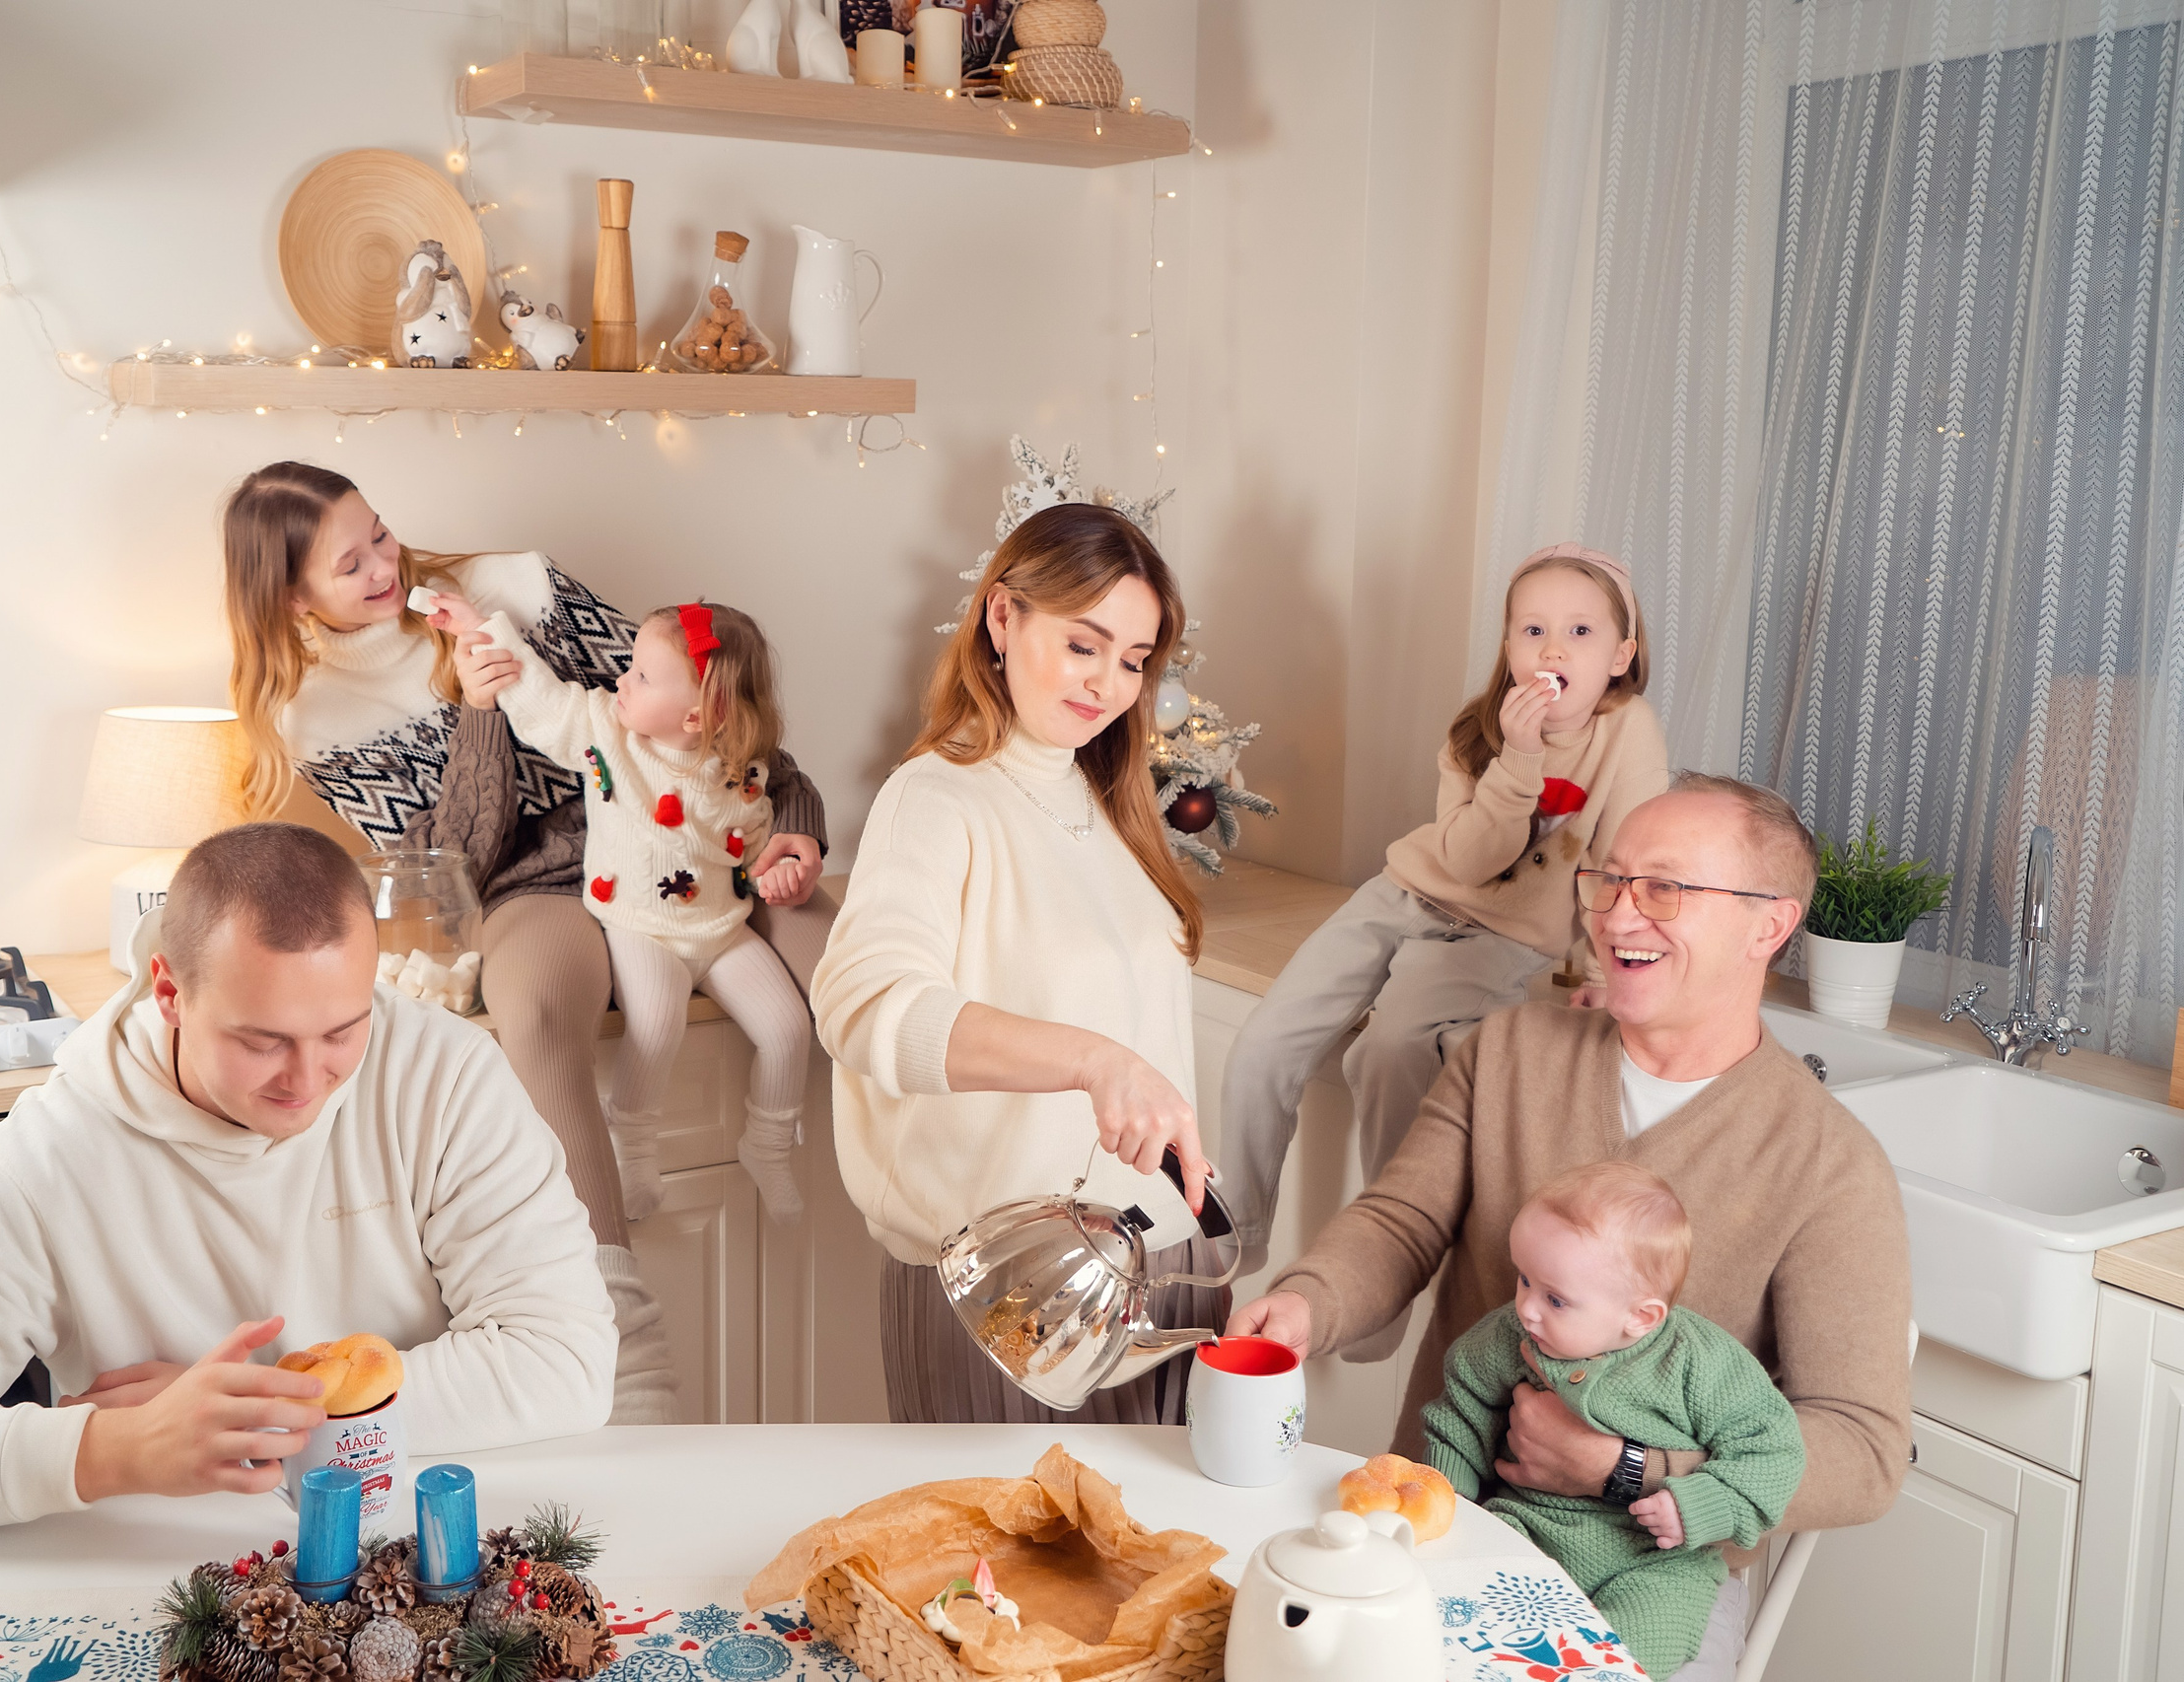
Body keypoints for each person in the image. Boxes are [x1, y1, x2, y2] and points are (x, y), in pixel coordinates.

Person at [1228, 773, 1911, 1679]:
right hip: (1443, 1518)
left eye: (1664, 889)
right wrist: (1307, 1303)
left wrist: (1629, 1471)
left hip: (1656, 1573)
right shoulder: (1510, 1050)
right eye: (1609, 880)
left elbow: (1863, 1447)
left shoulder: (1829, 1162)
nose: (1620, 915)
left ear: (1768, 926)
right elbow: (1401, 1222)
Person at [0, 823, 615, 1536]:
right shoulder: (50, 1159)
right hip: (171, 1581)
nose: (310, 1080)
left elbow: (566, 1360)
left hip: (434, 1554)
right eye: (261, 1041)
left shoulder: (445, 1074)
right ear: (169, 991)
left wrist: (253, 1415)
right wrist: (118, 1447)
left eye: (343, 1031)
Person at [218, 461, 832, 1423]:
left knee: (838, 943)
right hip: (536, 887)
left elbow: (707, 712)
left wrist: (797, 823)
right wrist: (477, 710)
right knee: (536, 1008)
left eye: (380, 531)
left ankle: (935, 1204)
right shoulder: (320, 715)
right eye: (351, 562)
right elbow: (452, 862)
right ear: (292, 595)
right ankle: (626, 1348)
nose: (385, 562)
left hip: (696, 855)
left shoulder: (517, 587)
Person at [812, 502, 1223, 1425]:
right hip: (1014, 1299)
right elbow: (864, 1005)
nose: (1109, 685)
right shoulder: (937, 798)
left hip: (1158, 1280)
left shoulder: (1108, 801)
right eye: (1085, 644)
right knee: (991, 1571)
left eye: (1133, 661)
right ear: (1003, 617)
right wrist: (1093, 1062)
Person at [1219, 544, 1668, 1315]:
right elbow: (1466, 858)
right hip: (1402, 895)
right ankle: (1235, 1234)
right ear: (1507, 646)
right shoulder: (1477, 730)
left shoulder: (1629, 736)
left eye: (1581, 633)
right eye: (1531, 630)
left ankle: (1383, 1277)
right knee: (1264, 1041)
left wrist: (1600, 977)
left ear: (1623, 656)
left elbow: (1620, 862)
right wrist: (1517, 759)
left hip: (1496, 939)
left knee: (1390, 1051)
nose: (1553, 650)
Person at [458, 594, 811, 1222]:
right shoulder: (610, 737)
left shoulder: (743, 773)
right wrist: (485, 632)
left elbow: (755, 846)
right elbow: (542, 699)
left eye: (642, 677)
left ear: (702, 716)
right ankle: (635, 1150)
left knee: (788, 1029)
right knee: (655, 1022)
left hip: (719, 928)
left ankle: (769, 1144)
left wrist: (778, 871)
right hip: (638, 927)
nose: (620, 680)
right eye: (630, 667)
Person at [1423, 1160, 1804, 1681]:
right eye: (1524, 1279)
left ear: (1640, 1317)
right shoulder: (1512, 1336)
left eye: (1555, 1299)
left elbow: (1774, 1451)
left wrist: (1695, 1505)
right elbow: (1461, 1409)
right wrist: (1451, 1503)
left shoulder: (1701, 1363)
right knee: (1456, 1621)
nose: (1527, 1309)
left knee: (1627, 1654)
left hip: (1654, 1563)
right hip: (1529, 1526)